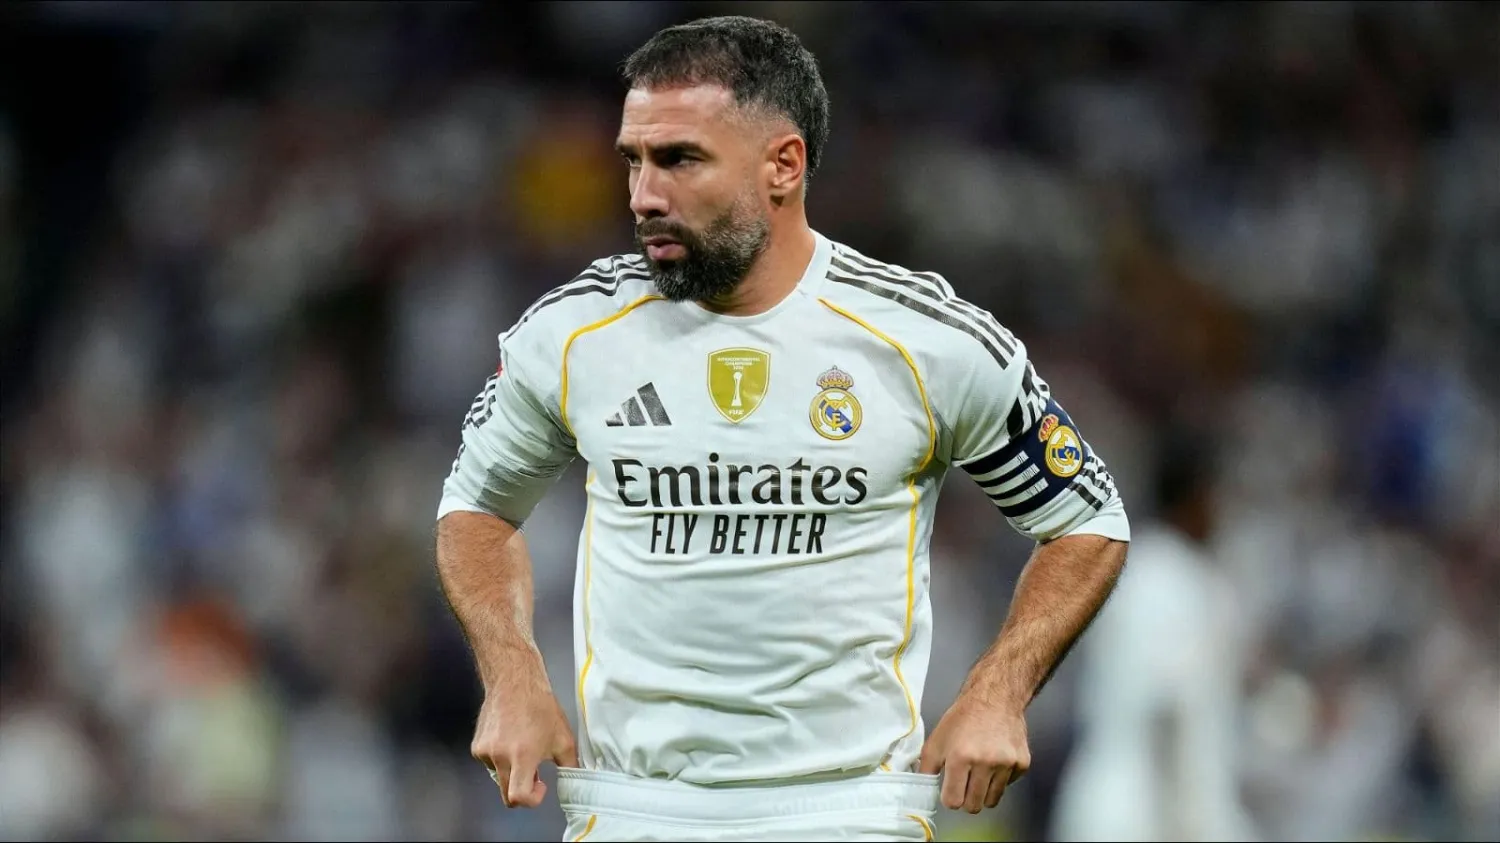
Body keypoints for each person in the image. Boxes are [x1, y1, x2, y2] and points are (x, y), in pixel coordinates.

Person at [435, 15, 1130, 842]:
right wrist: (511, 671)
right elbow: (475, 507)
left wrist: (998, 690)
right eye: (633, 159)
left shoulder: (924, 342)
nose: (644, 195)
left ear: (784, 165)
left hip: (847, 810)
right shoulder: (574, 333)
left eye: (680, 159)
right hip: (633, 807)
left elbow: (1087, 519)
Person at [1049, 428, 1257, 842]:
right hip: (1144, 811)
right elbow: (1169, 709)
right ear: (1198, 494)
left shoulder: (1136, 568)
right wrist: (1202, 825)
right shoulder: (1168, 581)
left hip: (1111, 802)